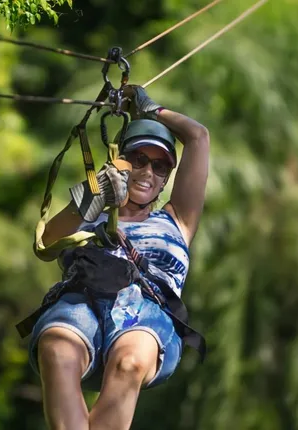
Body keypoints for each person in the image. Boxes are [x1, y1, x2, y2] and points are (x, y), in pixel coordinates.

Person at [26, 85, 210, 430]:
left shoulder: (177, 220)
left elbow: (198, 137)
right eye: (139, 159)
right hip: (81, 303)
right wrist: (92, 196)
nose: (148, 172)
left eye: (160, 167)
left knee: (130, 362)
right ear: (121, 161)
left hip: (146, 313)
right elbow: (46, 244)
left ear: (166, 179)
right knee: (57, 351)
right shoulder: (88, 215)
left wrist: (152, 111)